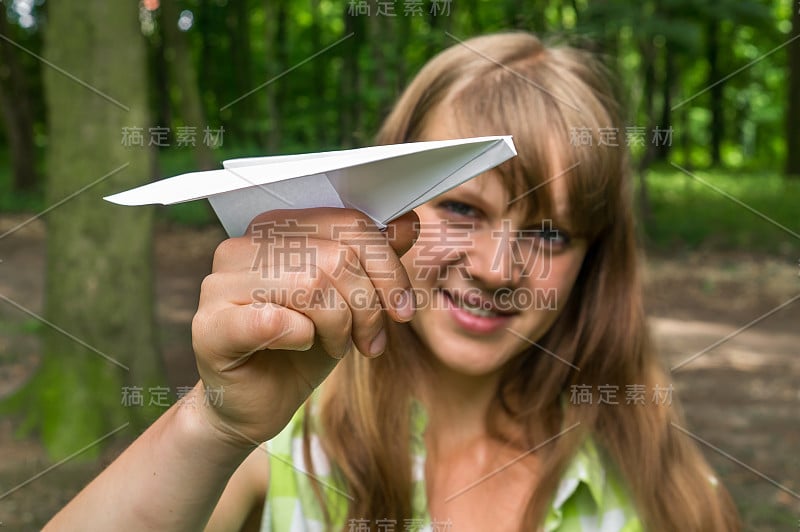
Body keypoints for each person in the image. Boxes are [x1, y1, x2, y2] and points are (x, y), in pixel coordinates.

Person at [46, 32, 739, 531]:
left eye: (550, 233)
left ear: (595, 262)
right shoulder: (285, 445)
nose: (498, 270)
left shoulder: (664, 487)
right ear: (380, 202)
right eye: (462, 208)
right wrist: (212, 424)